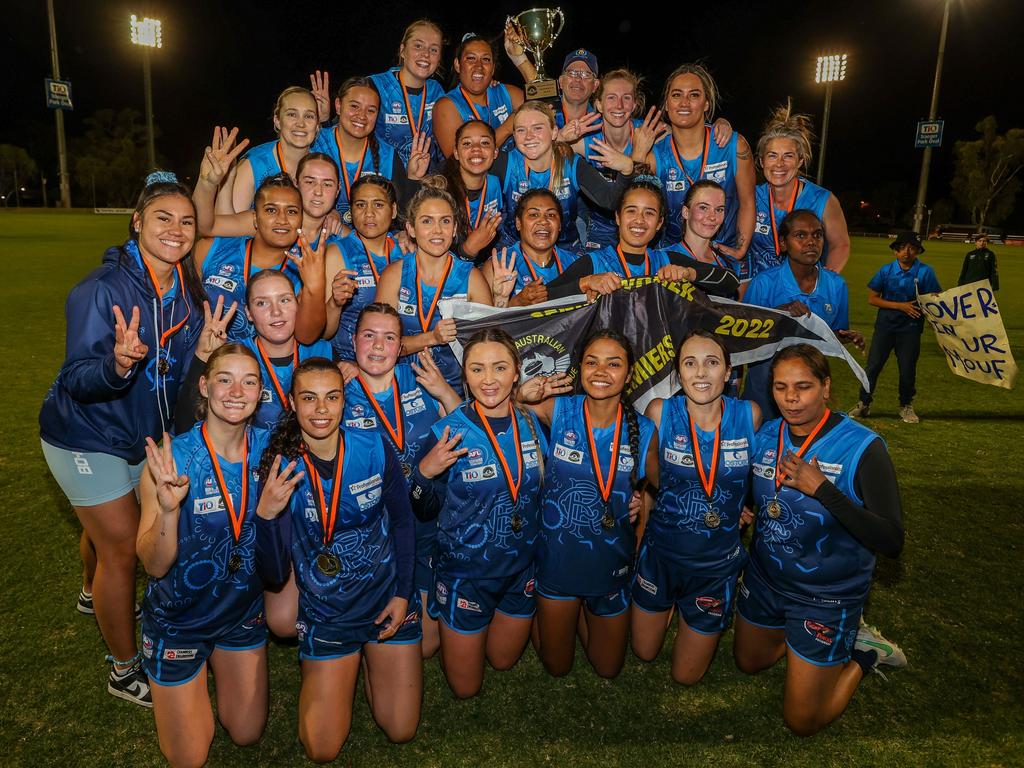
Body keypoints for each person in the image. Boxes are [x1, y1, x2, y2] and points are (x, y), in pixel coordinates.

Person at [39, 172, 205, 707]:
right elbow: (77, 377)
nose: (176, 230)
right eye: (163, 218)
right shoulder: (100, 289)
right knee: (122, 548)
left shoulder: (186, 290)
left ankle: (91, 592)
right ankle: (124, 669)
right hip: (84, 434)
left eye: (186, 221)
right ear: (137, 223)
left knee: (107, 527)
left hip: (143, 436)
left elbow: (178, 378)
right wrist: (115, 365)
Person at [734, 344, 906, 736]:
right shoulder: (767, 435)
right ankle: (808, 648)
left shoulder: (863, 447)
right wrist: (743, 507)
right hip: (765, 579)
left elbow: (891, 539)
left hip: (826, 595)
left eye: (803, 386)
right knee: (749, 662)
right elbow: (756, 492)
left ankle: (862, 653)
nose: (790, 398)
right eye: (780, 387)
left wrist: (824, 490)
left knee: (803, 721)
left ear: (826, 388)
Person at [259, 357, 422, 760]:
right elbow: (275, 572)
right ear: (293, 404)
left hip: (386, 597)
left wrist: (403, 595)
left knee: (401, 729)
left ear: (344, 402)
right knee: (322, 748)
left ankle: (374, 661)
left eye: (332, 397)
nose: (321, 410)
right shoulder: (280, 464)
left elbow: (402, 522)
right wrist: (266, 516)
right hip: (326, 609)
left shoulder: (372, 444)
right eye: (309, 398)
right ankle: (346, 661)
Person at [137, 344, 288, 767]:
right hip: (179, 622)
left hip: (241, 613)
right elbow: (153, 565)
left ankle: (219, 669)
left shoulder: (272, 451)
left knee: (246, 732)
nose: (236, 391)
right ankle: (184, 679)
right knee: (189, 757)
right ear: (204, 386)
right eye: (225, 379)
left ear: (262, 393)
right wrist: (169, 511)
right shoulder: (172, 459)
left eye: (249, 381)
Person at [409, 328, 546, 698]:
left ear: (516, 372)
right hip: (466, 573)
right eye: (477, 369)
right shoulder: (448, 432)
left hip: (522, 568)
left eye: (499, 368)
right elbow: (423, 508)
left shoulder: (533, 424)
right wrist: (424, 473)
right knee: (466, 689)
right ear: (465, 375)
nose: (489, 380)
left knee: (502, 661)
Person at [520, 330, 657, 678]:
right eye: (592, 362)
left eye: (614, 364)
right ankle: (545, 610)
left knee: (608, 668)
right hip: (557, 561)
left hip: (611, 564)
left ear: (629, 374)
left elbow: (658, 489)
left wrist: (640, 523)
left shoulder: (644, 429)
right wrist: (522, 394)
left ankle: (582, 610)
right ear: (579, 368)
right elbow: (501, 408)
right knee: (558, 667)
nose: (601, 371)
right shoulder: (559, 409)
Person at [631, 331, 760, 684]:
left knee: (685, 677)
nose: (701, 373)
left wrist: (741, 505)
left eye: (712, 362)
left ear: (729, 371)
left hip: (715, 566)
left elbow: (758, 476)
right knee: (643, 652)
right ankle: (667, 603)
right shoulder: (660, 411)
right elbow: (650, 473)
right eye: (690, 363)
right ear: (678, 374)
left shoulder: (749, 415)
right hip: (662, 556)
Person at [344, 303, 463, 658]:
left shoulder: (421, 376)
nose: (378, 346)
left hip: (425, 516)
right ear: (353, 341)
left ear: (400, 346)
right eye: (369, 335)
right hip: (372, 528)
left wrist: (443, 391)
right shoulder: (338, 389)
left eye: (389, 337)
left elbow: (468, 434)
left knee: (427, 647)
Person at [743, 210, 863, 417]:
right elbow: (742, 334)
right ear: (783, 243)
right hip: (764, 386)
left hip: (809, 389)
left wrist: (845, 337)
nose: (811, 242)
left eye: (817, 235)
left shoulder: (836, 285)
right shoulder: (764, 283)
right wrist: (779, 313)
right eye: (800, 235)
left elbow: (829, 335)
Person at [375, 177, 493, 389]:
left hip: (457, 390)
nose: (437, 230)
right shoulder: (394, 275)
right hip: (401, 388)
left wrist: (502, 300)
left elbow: (489, 349)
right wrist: (432, 338)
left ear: (455, 228)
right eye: (427, 221)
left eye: (445, 221)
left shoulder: (472, 278)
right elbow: (379, 347)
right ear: (411, 229)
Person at [545, 177, 740, 300]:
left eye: (649, 213)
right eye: (631, 211)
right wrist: (585, 283)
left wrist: (688, 273)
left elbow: (731, 282)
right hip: (612, 363)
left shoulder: (667, 261)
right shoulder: (594, 263)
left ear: (659, 223)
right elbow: (543, 298)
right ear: (618, 217)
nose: (639, 220)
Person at [194, 170, 327, 344]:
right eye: (271, 210)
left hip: (264, 369)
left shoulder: (305, 267)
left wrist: (314, 288)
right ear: (255, 218)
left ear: (301, 219)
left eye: (292, 212)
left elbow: (307, 337)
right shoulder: (212, 249)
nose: (282, 220)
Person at [495, 100, 646, 253]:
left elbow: (610, 200)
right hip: (514, 247)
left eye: (537, 128)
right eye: (521, 130)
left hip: (565, 249)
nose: (529, 136)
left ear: (554, 132)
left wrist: (627, 170)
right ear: (514, 135)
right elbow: (475, 159)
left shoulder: (571, 164)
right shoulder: (506, 163)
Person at [644, 64, 755, 261]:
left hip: (723, 256)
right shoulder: (655, 156)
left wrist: (740, 250)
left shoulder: (733, 146)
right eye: (676, 95)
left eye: (694, 95)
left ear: (706, 103)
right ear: (667, 105)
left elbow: (747, 202)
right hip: (673, 260)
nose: (684, 103)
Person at [749, 103, 850, 279]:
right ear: (762, 161)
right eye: (772, 155)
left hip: (802, 291)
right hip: (759, 293)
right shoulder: (751, 197)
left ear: (800, 161)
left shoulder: (821, 199)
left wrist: (823, 283)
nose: (779, 164)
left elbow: (840, 244)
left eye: (788, 156)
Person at [310, 76, 431, 223]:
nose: (361, 115)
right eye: (354, 106)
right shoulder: (316, 143)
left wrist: (412, 180)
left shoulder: (387, 156)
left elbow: (400, 217)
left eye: (371, 110)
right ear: (338, 105)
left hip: (370, 243)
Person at [849, 231, 941, 424]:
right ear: (895, 251)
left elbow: (935, 299)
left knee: (907, 369)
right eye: (903, 248)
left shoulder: (926, 272)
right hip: (885, 327)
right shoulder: (886, 271)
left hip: (911, 329)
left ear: (917, 251)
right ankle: (863, 403)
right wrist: (901, 306)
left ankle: (906, 406)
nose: (907, 252)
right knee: (873, 367)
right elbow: (872, 299)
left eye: (912, 248)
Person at [577, 70, 667, 250]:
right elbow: (550, 149)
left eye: (626, 98)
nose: (619, 105)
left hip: (640, 224)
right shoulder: (586, 140)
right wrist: (562, 138)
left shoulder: (650, 133)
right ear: (599, 104)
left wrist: (719, 124)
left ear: (634, 104)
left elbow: (690, 131)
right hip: (600, 226)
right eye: (611, 97)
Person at [324, 174, 407, 362]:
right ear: (351, 211)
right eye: (360, 205)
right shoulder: (338, 252)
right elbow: (325, 333)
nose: (369, 213)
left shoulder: (406, 251)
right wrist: (335, 303)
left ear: (393, 210)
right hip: (349, 361)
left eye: (378, 205)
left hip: (400, 359)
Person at [479, 188, 578, 307]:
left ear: (560, 225)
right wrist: (514, 303)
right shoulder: (497, 267)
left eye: (551, 215)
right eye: (534, 215)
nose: (543, 221)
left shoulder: (575, 264)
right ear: (518, 223)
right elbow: (485, 324)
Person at [228, 87, 320, 212]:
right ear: (277, 121)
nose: (301, 124)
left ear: (317, 125)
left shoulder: (322, 166)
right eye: (292, 114)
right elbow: (229, 228)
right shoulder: (253, 164)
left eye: (309, 116)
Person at [370, 19, 447, 168]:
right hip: (384, 181)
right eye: (418, 46)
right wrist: (325, 119)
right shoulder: (376, 86)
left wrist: (488, 86)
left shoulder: (437, 91)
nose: (426, 54)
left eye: (434, 49)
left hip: (425, 182)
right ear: (402, 50)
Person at [433, 34, 525, 157]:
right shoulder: (447, 106)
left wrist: (520, 60)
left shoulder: (508, 93)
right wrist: (508, 127)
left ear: (492, 69)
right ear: (457, 65)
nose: (479, 66)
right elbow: (458, 161)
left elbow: (543, 104)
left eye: (486, 59)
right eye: (471, 58)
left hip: (516, 175)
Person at [441, 120, 505, 264]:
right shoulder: (440, 193)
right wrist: (468, 250)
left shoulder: (497, 183)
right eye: (467, 143)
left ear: (495, 152)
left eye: (485, 143)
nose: (476, 149)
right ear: (456, 153)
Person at [664, 180, 742, 295]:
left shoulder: (729, 263)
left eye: (719, 210)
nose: (712, 217)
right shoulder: (663, 258)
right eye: (703, 208)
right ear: (686, 212)